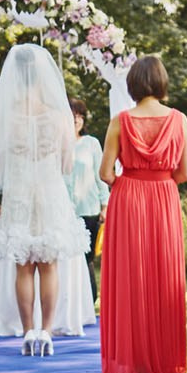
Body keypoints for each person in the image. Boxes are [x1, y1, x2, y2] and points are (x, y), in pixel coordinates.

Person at [97, 53, 187, 373]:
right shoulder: (179, 120)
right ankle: (164, 358)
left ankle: (130, 357)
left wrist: (129, 183)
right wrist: (158, 180)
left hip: (128, 200)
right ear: (162, 83)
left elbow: (105, 172)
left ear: (133, 85)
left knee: (129, 276)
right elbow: (185, 172)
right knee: (162, 275)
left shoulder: (120, 121)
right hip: (163, 197)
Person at [0, 45, 87, 355]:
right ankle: (46, 332)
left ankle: (28, 331)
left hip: (19, 191)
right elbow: (67, 165)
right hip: (49, 190)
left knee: (23, 266)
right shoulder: (58, 114)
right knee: (49, 266)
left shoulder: (8, 114)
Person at [65, 96, 108, 300]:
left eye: (80, 115)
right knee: (66, 259)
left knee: (86, 258)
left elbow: (101, 177)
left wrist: (105, 204)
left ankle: (90, 300)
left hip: (88, 209)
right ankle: (69, 301)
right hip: (63, 211)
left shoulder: (91, 144)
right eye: (73, 115)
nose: (76, 119)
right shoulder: (56, 144)